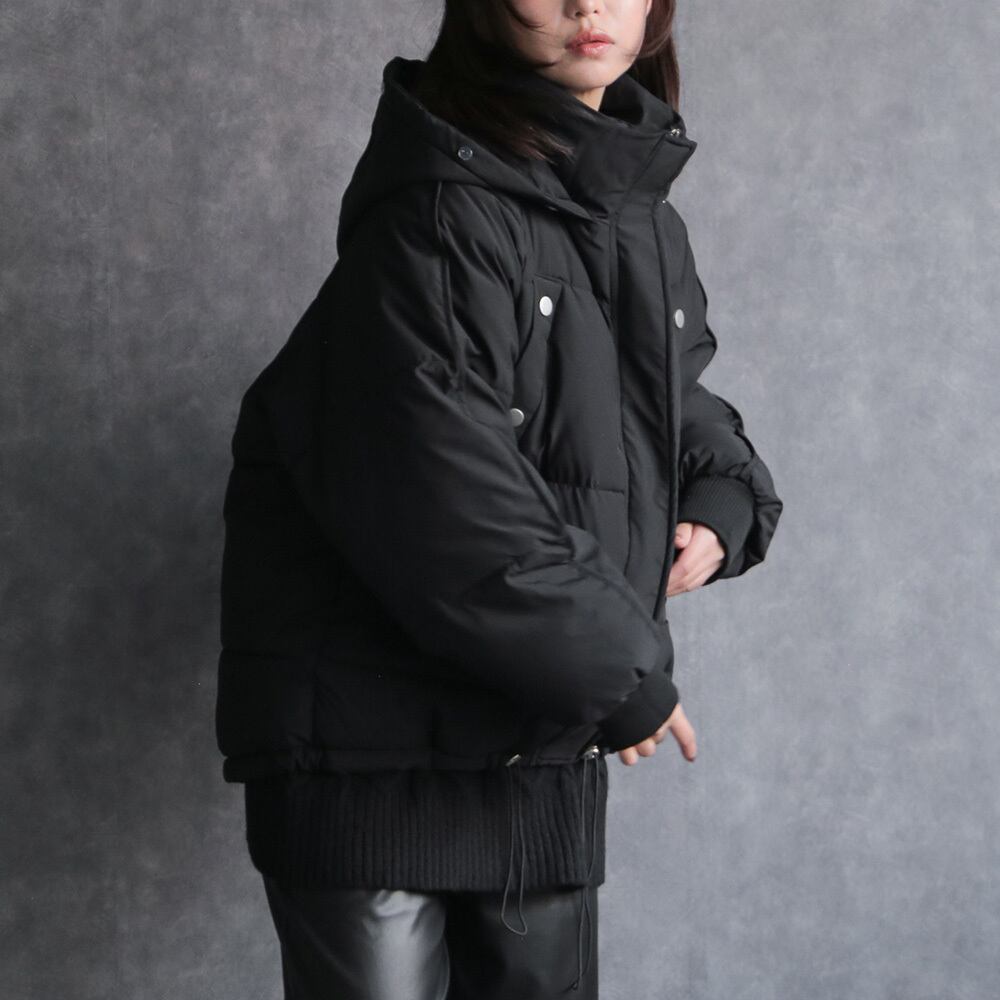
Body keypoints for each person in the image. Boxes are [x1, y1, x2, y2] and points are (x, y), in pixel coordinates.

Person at [214, 0, 783, 997]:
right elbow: (440, 494)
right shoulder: (437, 215)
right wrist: (620, 676)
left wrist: (724, 496)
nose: (587, 5)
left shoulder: (635, 214)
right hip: (373, 759)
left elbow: (665, 400)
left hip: (534, 747)